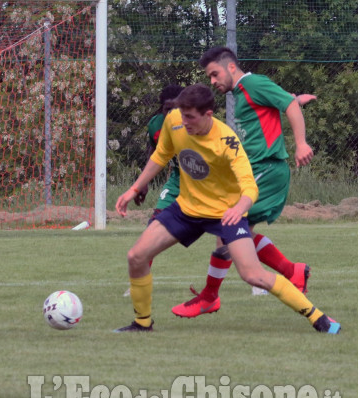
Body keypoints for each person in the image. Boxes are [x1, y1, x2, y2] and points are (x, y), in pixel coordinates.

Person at [114, 83, 340, 335]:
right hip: (186, 210)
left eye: (190, 117)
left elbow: (250, 187)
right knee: (136, 256)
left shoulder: (227, 141)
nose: (184, 121)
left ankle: (318, 317)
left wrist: (240, 208)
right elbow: (161, 154)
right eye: (182, 114)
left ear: (208, 115)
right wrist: (134, 189)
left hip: (225, 214)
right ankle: (142, 323)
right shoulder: (174, 120)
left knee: (253, 275)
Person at [171, 46, 317, 317]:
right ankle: (291, 270)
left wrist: (300, 142)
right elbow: (280, 101)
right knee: (236, 234)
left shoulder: (251, 83)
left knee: (229, 229)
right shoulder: (244, 91)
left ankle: (210, 296)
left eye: (214, 74)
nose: (212, 82)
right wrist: (293, 97)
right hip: (256, 171)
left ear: (230, 67)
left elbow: (288, 105)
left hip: (266, 170)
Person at [124, 84, 183, 297]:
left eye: (177, 108)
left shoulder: (196, 122)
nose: (172, 114)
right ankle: (138, 284)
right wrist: (143, 184)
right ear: (161, 109)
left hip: (207, 183)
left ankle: (258, 279)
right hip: (177, 182)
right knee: (152, 228)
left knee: (233, 230)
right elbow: (154, 153)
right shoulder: (156, 125)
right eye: (168, 109)